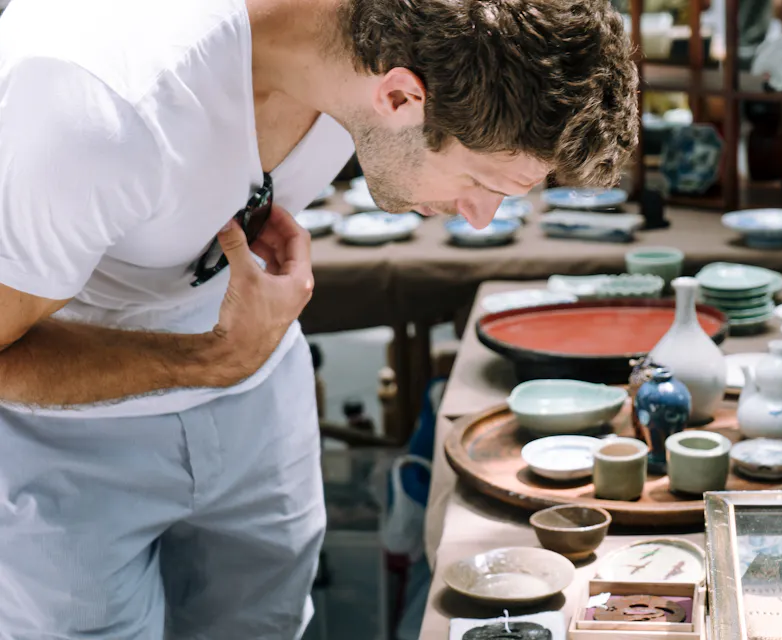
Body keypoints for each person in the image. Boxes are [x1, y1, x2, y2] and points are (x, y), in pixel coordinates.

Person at [0, 0, 638, 637]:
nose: (478, 217)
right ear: (399, 99)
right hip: (63, 439)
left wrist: (236, 352)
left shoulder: (376, 51)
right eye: (483, 182)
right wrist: (208, 360)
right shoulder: (94, 99)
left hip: (259, 399)